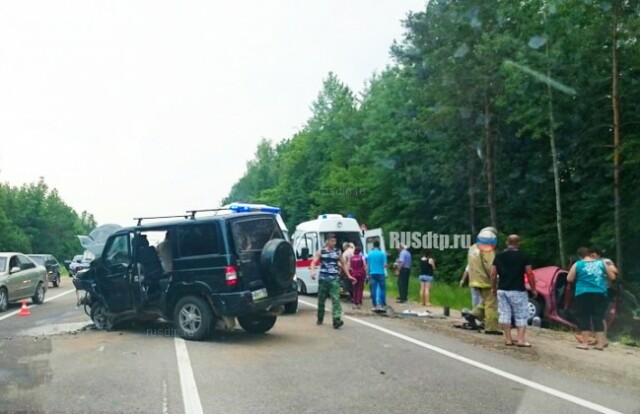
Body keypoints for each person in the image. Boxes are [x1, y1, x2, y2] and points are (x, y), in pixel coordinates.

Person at [490, 234, 537, 347]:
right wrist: (533, 288)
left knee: (505, 314)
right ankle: (520, 340)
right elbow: (529, 273)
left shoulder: (499, 256)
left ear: (507, 242)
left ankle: (508, 339)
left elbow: (493, 274)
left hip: (502, 289)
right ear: (519, 243)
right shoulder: (523, 256)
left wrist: (493, 287)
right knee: (521, 314)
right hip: (518, 289)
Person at [567, 247, 616, 350]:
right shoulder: (601, 263)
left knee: (585, 316)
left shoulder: (578, 264)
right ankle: (600, 344)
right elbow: (612, 277)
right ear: (590, 254)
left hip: (583, 293)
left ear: (580, 256)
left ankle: (584, 344)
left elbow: (569, 278)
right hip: (599, 293)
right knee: (598, 317)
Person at [310, 234, 355, 329]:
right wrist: (312, 271)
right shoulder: (321, 251)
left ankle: (336, 320)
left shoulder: (338, 252)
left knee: (336, 299)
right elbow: (314, 262)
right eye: (332, 241)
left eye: (335, 241)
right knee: (321, 300)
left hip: (334, 279)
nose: (334, 243)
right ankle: (320, 317)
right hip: (323, 279)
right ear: (327, 241)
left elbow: (343, 264)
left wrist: (349, 276)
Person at [462, 227, 501, 335]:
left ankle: (473, 314)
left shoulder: (473, 247)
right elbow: (490, 266)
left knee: (485, 301)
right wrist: (496, 279)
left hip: (474, 280)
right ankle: (491, 327)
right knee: (491, 304)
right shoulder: (487, 249)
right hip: (485, 280)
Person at [367, 240, 387, 312]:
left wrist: (367, 274)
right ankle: (382, 305)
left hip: (372, 273)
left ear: (373, 245)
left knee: (373, 289)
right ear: (379, 246)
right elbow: (385, 265)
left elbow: (368, 266)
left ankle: (374, 305)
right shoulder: (382, 254)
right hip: (381, 273)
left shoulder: (370, 254)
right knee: (382, 289)